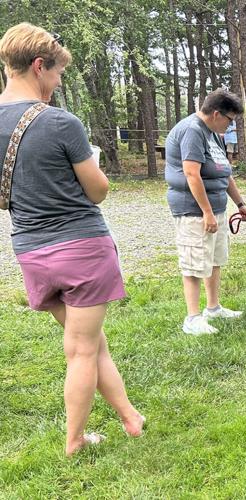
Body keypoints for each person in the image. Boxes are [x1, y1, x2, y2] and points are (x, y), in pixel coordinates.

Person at [0, 22, 145, 456]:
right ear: (38, 66)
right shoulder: (60, 123)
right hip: (81, 247)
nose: (59, 82)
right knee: (82, 350)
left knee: (91, 342)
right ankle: (75, 440)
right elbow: (98, 190)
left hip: (31, 250)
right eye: (58, 73)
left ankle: (129, 417)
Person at [165, 89, 246, 335]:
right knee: (194, 263)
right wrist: (206, 212)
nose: (231, 124)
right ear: (216, 114)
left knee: (214, 260)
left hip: (216, 209)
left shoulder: (214, 134)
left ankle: (213, 308)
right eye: (230, 119)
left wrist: (240, 204)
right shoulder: (192, 131)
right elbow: (191, 174)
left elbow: (224, 172)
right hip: (193, 211)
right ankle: (192, 319)